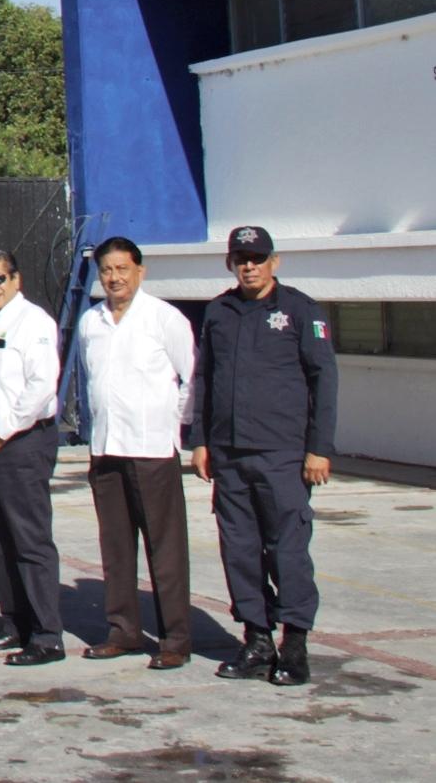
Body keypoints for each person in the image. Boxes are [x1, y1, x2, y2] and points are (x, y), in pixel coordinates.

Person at [192, 225, 337, 687]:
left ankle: (294, 645)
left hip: (282, 454)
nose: (249, 266)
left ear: (275, 261)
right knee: (239, 551)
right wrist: (201, 440)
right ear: (230, 263)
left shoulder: (299, 310)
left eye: (257, 257)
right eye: (241, 258)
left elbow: (324, 381)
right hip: (230, 455)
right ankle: (257, 639)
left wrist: (318, 448)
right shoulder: (219, 311)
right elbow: (206, 381)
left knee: (288, 549)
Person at [77, 237, 196, 670]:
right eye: (106, 270)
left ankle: (174, 640)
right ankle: (123, 630)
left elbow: (191, 379)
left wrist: (171, 422)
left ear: (140, 271)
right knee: (116, 547)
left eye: (122, 269)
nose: (114, 277)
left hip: (151, 450)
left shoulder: (165, 319)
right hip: (107, 448)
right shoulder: (91, 321)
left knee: (164, 550)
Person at [0, 251, 65, 665]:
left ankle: (46, 634)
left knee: (29, 539)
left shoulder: (34, 322)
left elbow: (41, 385)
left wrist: (4, 429)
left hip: (20, 441)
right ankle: (16, 623)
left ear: (16, 279)